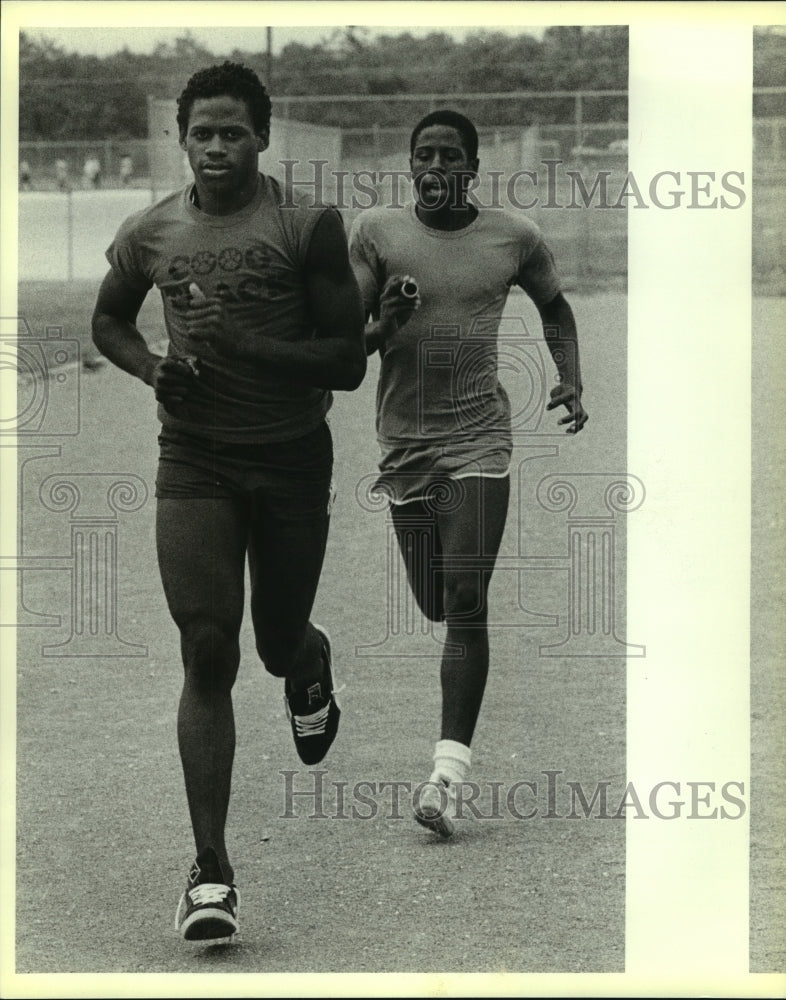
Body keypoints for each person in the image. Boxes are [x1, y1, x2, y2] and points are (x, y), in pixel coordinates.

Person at [92, 62, 366, 941]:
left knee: (277, 644)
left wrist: (244, 342)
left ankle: (310, 657)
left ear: (262, 137)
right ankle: (210, 871)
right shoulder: (150, 233)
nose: (217, 146)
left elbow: (346, 361)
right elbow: (110, 320)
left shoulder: (307, 226)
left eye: (233, 131)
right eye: (201, 132)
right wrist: (153, 370)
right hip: (197, 460)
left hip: (291, 460)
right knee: (209, 649)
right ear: (183, 139)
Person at [349, 109, 588, 838]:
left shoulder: (512, 237)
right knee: (433, 600)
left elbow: (557, 308)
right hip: (404, 446)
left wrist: (569, 379)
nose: (435, 167)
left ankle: (446, 777)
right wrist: (382, 319)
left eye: (450, 156)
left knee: (464, 598)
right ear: (409, 164)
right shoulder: (378, 235)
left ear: (472, 169)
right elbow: (345, 345)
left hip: (480, 439)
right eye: (424, 154)